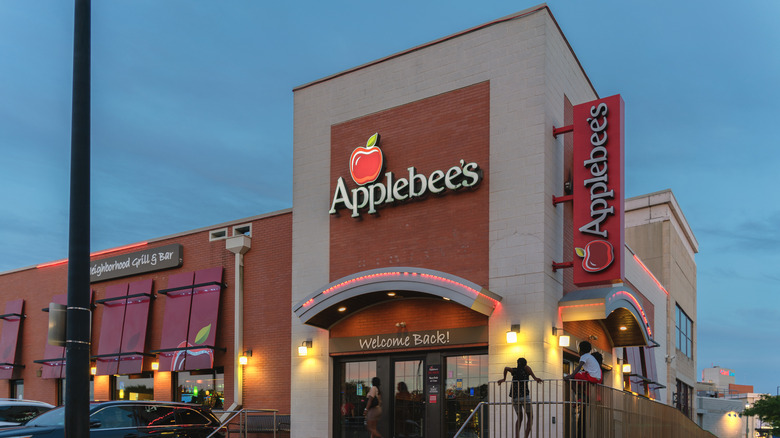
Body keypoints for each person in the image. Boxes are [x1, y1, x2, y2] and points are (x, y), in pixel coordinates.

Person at [498, 357, 543, 438]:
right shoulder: (526, 369)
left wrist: (504, 379)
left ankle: (517, 436)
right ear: (525, 363)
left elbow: (506, 368)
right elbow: (527, 368)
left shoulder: (514, 371)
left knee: (520, 417)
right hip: (524, 397)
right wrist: (535, 378)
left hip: (515, 398)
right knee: (530, 417)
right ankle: (526, 436)